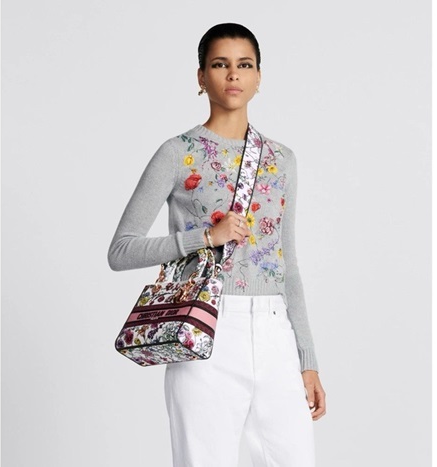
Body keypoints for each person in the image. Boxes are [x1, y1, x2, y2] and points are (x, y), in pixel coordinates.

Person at [108, 22, 326, 467]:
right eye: (220, 64)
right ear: (201, 77)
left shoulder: (281, 159)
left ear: (259, 77)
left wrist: (307, 360)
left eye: (244, 65)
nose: (233, 75)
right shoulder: (177, 152)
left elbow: (288, 264)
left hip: (275, 335)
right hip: (206, 331)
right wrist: (206, 238)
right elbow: (121, 250)